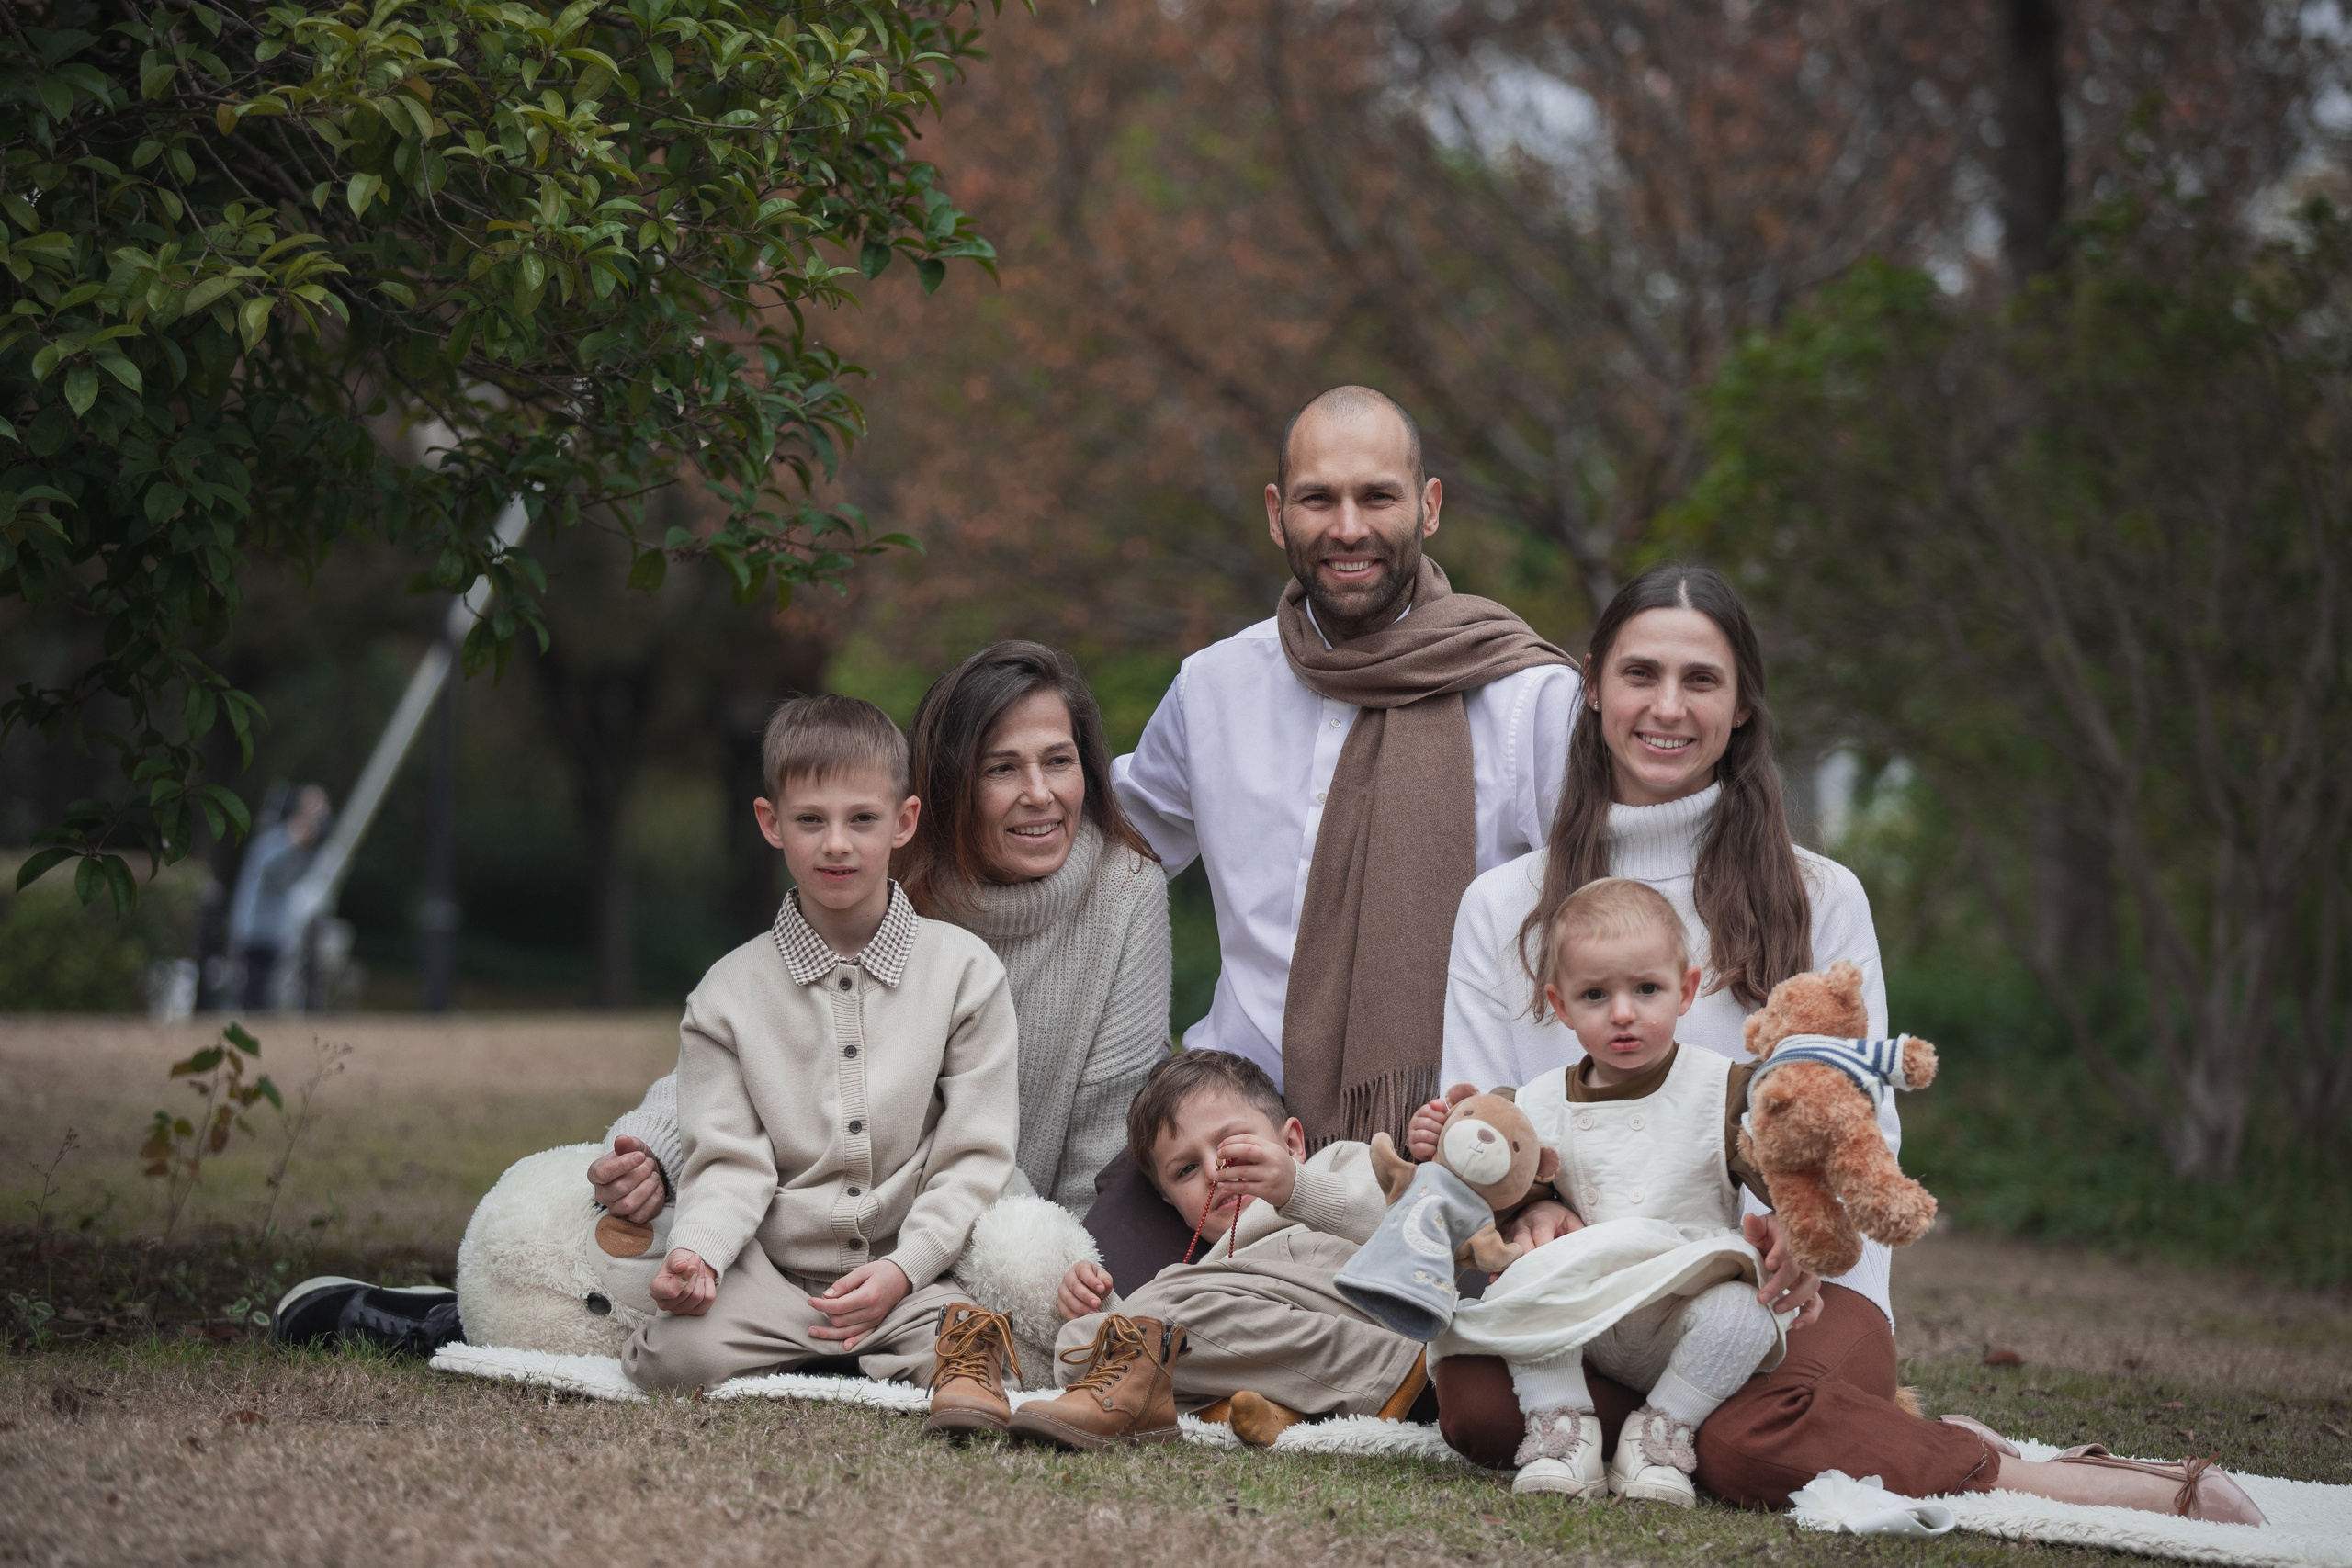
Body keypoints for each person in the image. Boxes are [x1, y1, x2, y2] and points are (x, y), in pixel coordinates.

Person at [1427, 562, 2265, 1525]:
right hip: (1597, 1297)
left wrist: (1801, 1234)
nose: (1667, 706)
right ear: (1590, 688)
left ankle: (2046, 1477)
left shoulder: (1818, 896)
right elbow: (1479, 1128)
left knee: (1742, 1442)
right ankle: (1728, 1429)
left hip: (1792, 1292)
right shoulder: (1505, 908)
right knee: (1478, 1406)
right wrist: (1528, 1211)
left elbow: (1869, 1132)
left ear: (1741, 706)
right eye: (1639, 674)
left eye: (1701, 680)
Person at [1111, 384, 1578, 1154]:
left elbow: (1604, 914)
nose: (1348, 527)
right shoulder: (1213, 688)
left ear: (1429, 506)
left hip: (1454, 1142)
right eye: (1318, 499)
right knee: (1088, 1266)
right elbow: (1111, 854)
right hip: (1230, 1130)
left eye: (1377, 496)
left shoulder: (1526, 698)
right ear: (1275, 513)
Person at [593, 641, 1171, 1220]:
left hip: (1019, 1236)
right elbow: (754, 1029)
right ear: (950, 784)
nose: (1040, 794)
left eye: (1058, 761)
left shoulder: (1123, 890)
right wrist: (649, 1147)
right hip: (860, 1224)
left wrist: (1067, 1267)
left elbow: (1113, 1120)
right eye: (1002, 768)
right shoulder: (887, 875)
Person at [620, 694, 1019, 1393]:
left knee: (977, 1357)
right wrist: (697, 1253)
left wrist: (903, 1268)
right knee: (667, 1359)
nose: (837, 842)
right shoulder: (727, 993)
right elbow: (726, 1159)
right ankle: (821, 1348)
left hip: (916, 1273)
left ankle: (884, 1341)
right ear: (771, 824)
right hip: (774, 1279)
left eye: (862, 818)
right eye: (811, 820)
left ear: (904, 821)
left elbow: (974, 1153)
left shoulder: (965, 972)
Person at [1414, 878, 1785, 1506]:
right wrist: (1441, 1138)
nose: (1622, 1012)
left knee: (1747, 1311)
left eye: (1646, 989)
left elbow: (1787, 1173)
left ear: (1686, 989)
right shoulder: (1534, 1102)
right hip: (1581, 1316)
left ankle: (1663, 1429)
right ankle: (1560, 1425)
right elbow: (1486, 1193)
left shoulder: (1723, 1089)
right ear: (1560, 1006)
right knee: (1522, 1276)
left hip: (1683, 1310)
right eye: (1595, 994)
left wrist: (1794, 1225)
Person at [1009, 1051, 1431, 1451]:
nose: (1215, 1171)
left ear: (1293, 1143)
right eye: (1187, 1169)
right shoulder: (1210, 1270)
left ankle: (1396, 1367)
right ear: (1173, 1204)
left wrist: (1296, 1187)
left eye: (1234, 1145)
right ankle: (1270, 1411)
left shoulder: (1336, 1164)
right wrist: (1100, 1302)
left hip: (1364, 1305)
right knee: (1077, 1344)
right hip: (1268, 1341)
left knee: (1158, 1303)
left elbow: (1404, 1225)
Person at [226, 784, 329, 1010]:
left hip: (275, 933)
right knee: (248, 998)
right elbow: (270, 870)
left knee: (264, 1000)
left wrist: (304, 847)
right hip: (253, 931)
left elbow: (296, 877)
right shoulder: (273, 840)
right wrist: (294, 843)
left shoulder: (306, 852)